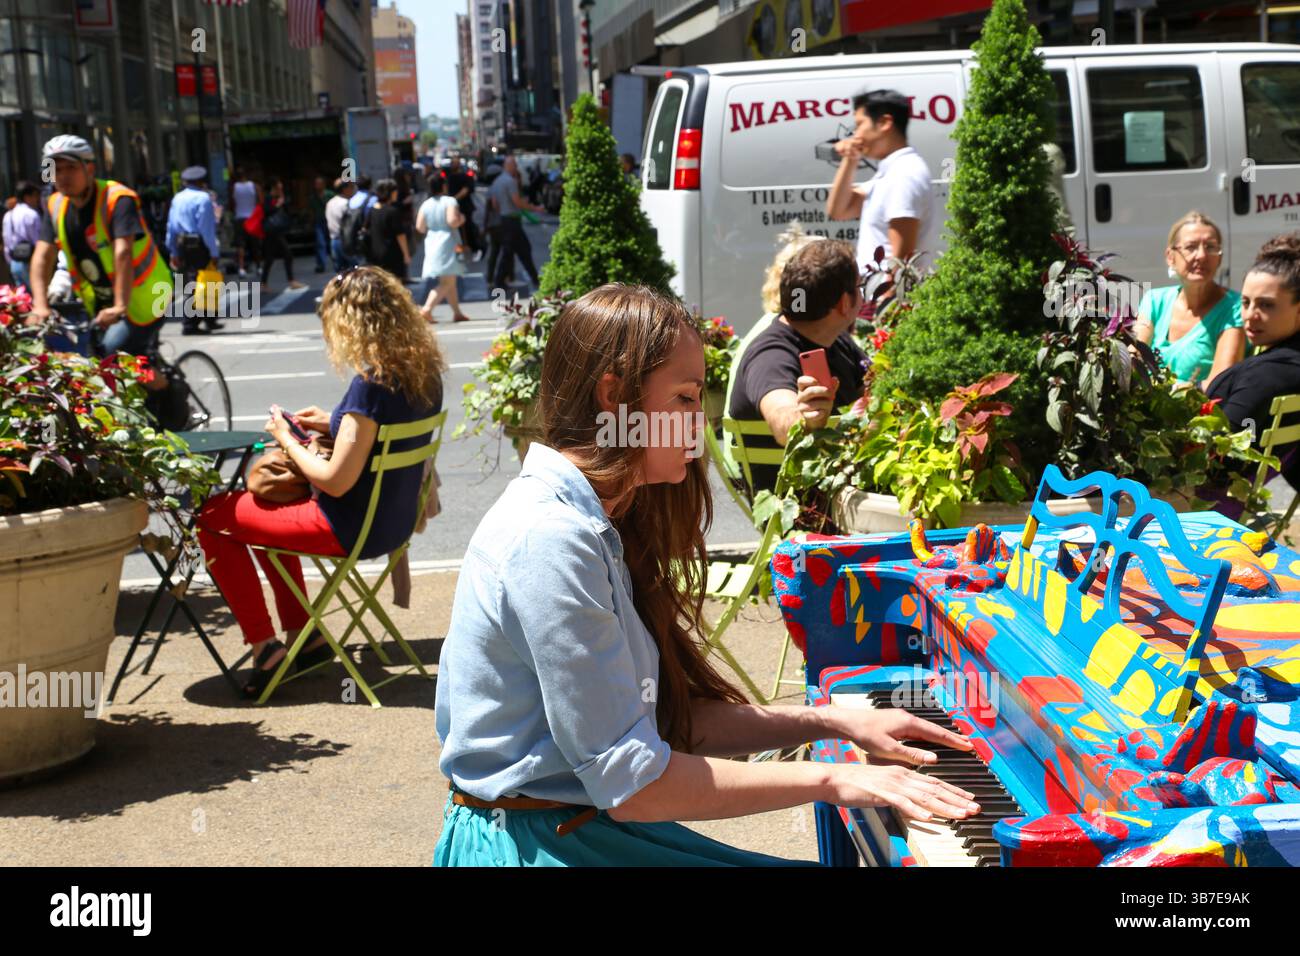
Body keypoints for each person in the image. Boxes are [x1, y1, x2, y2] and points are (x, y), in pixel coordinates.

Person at [432, 283, 979, 867]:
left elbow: (667, 726)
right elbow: (638, 784)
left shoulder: (592, 520)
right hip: (530, 843)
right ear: (614, 396)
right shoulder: (551, 540)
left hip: (573, 825)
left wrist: (839, 721)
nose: (702, 420)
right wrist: (841, 780)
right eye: (687, 398)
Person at [196, 266, 446, 698]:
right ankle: (303, 635)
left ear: (351, 323)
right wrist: (334, 419)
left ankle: (265, 646)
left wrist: (286, 439)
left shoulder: (369, 385)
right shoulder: (423, 375)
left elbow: (334, 481)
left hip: (346, 527)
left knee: (215, 515)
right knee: (261, 514)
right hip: (393, 525)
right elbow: (375, 435)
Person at [728, 240, 867, 495]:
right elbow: (783, 418)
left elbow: (873, 395)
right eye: (860, 287)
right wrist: (806, 417)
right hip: (808, 510)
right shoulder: (771, 355)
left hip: (848, 492)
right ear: (844, 304)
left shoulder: (838, 341)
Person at [25, 135, 173, 357]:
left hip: (148, 297)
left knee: (112, 357)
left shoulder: (117, 199)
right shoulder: (55, 205)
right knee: (91, 361)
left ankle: (169, 390)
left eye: (71, 167)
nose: (63, 176)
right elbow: (42, 256)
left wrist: (121, 306)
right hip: (103, 305)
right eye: (56, 169)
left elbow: (122, 252)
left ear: (90, 169)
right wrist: (40, 305)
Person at [1206, 235, 1300, 502]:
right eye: (1246, 302)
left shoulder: (1270, 374)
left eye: (1266, 305)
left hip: (1208, 500)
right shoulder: (1283, 361)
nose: (1250, 315)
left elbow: (1217, 444)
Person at [825, 88, 937, 304]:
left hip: (886, 302)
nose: (855, 135)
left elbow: (902, 257)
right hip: (877, 298)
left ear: (885, 123)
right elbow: (839, 210)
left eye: (860, 125)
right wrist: (850, 160)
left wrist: (884, 308)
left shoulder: (904, 174)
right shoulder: (891, 172)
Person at [1135, 211, 1244, 390]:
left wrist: (1163, 393)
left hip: (1201, 414)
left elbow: (1220, 384)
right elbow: (1134, 357)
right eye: (1191, 247)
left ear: (1220, 258)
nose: (1201, 255)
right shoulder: (1154, 300)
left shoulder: (1235, 308)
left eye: (1210, 247)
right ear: (1171, 257)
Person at [165, 165, 223, 335]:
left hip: (183, 244)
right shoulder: (203, 198)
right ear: (201, 181)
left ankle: (210, 319)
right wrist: (214, 252)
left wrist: (173, 251)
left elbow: (171, 226)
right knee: (203, 281)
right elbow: (206, 229)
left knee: (196, 282)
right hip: (199, 245)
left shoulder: (177, 199)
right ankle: (190, 324)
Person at [416, 174, 469, 324]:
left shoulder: (426, 204)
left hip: (432, 241)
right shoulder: (449, 201)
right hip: (447, 242)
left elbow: (420, 227)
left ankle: (457, 313)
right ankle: (426, 309)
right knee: (448, 282)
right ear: (444, 186)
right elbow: (452, 221)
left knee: (448, 279)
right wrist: (462, 219)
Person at [488, 155, 544, 294]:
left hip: (504, 220)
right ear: (510, 166)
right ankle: (535, 280)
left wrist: (504, 211)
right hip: (512, 221)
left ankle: (500, 281)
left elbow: (494, 203)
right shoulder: (510, 181)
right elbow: (517, 202)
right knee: (522, 251)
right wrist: (535, 208)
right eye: (515, 165)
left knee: (511, 252)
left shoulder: (497, 181)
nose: (516, 168)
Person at [260, 178, 305, 292]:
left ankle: (264, 283)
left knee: (271, 258)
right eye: (279, 188)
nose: (281, 190)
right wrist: (278, 204)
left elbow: (286, 212)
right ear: (274, 188)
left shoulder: (278, 198)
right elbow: (267, 211)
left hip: (277, 231)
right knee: (287, 255)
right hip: (272, 232)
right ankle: (290, 281)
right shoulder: (269, 198)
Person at [365, 178, 411, 281]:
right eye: (395, 191)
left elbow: (366, 229)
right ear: (390, 193)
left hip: (375, 255)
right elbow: (400, 235)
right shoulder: (392, 211)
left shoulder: (372, 210)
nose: (396, 193)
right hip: (392, 256)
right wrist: (406, 254)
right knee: (395, 284)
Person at [2, 180, 41, 291]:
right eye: (35, 196)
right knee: (38, 296)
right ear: (26, 197)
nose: (37, 200)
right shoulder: (32, 214)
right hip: (30, 261)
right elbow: (38, 241)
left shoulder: (8, 215)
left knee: (22, 301)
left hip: (15, 262)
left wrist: (10, 261)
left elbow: (6, 242)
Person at [442, 157, 482, 258]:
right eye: (452, 163)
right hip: (455, 207)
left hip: (464, 206)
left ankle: (475, 249)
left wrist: (454, 199)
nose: (452, 165)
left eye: (454, 163)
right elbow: (446, 190)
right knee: (456, 230)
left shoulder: (465, 176)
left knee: (468, 228)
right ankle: (461, 250)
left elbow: (466, 190)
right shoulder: (449, 177)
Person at [229, 167, 261, 278]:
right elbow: (259, 201)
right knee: (255, 244)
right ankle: (258, 266)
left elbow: (232, 203)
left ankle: (241, 268)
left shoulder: (234, 187)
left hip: (240, 218)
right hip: (252, 217)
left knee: (240, 244)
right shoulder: (254, 186)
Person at [325, 179, 356, 271]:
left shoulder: (330, 203)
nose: (353, 190)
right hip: (346, 241)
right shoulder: (346, 204)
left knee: (340, 273)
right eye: (351, 187)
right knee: (355, 271)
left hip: (334, 241)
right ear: (345, 189)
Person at [309, 175, 334, 274]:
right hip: (319, 221)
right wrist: (310, 222)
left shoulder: (330, 194)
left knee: (332, 242)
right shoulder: (313, 197)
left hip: (330, 220)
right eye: (316, 184)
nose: (317, 186)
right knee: (320, 243)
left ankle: (337, 260)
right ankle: (321, 264)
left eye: (319, 184)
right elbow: (312, 211)